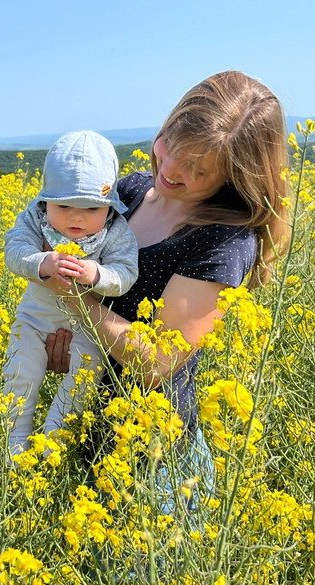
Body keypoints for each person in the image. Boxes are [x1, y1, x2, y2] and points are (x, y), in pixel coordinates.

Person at [41, 70, 291, 448]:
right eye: (169, 145)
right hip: (76, 425)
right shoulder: (131, 191)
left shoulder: (224, 241)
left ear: (233, 175)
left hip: (151, 457)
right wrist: (61, 350)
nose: (171, 170)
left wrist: (73, 300)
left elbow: (158, 362)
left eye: (197, 169)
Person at [3, 130, 139, 455]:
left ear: (108, 208)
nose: (77, 217)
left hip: (87, 330)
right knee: (21, 373)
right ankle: (15, 443)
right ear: (45, 200)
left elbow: (125, 273)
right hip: (34, 322)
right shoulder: (34, 218)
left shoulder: (116, 230)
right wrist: (43, 262)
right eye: (63, 205)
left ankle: (54, 443)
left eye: (92, 208)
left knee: (82, 380)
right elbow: (14, 250)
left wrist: (97, 274)